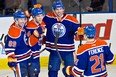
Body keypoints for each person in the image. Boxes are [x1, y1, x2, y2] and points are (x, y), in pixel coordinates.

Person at [43, 0, 80, 77]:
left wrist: (79, 33)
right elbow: (39, 24)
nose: (59, 11)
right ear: (53, 10)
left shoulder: (71, 20)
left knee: (70, 72)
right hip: (54, 51)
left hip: (68, 51)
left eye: (60, 9)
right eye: (57, 9)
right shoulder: (48, 17)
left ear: (63, 9)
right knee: (52, 72)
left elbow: (78, 31)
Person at [5, 10, 32, 77]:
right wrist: (12, 61)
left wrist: (28, 14)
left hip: (28, 57)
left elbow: (26, 21)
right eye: (21, 19)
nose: (23, 21)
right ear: (15, 20)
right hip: (20, 62)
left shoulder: (21, 26)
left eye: (24, 19)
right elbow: (9, 50)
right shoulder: (14, 32)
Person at [26, 8, 46, 77]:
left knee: (36, 73)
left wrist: (46, 40)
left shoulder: (41, 24)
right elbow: (29, 43)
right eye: (38, 16)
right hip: (30, 56)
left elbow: (40, 40)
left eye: (41, 15)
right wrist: (36, 34)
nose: (41, 18)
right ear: (33, 17)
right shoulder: (29, 27)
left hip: (36, 55)